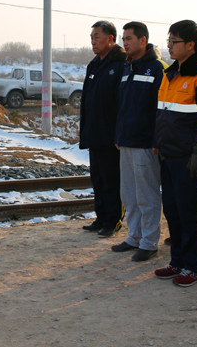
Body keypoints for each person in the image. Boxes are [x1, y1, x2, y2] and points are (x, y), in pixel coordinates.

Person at [153, 20, 197, 287]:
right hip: (169, 155)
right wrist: (158, 142)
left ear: (191, 45)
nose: (169, 46)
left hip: (190, 158)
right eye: (169, 41)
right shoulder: (170, 73)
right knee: (173, 211)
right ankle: (178, 261)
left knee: (193, 213)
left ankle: (195, 265)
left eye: (174, 41)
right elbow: (163, 112)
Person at [112, 22, 166, 261]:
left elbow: (161, 109)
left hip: (145, 143)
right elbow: (122, 106)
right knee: (129, 195)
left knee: (147, 196)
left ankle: (149, 241)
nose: (125, 43)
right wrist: (119, 135)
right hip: (126, 141)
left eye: (129, 38)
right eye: (123, 39)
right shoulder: (127, 67)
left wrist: (156, 139)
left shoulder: (156, 69)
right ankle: (134, 236)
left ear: (143, 40)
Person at [80, 20, 127, 237]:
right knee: (98, 179)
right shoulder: (94, 65)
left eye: (96, 37)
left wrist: (119, 133)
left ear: (110, 39)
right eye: (91, 37)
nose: (93, 41)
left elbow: (122, 103)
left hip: (111, 135)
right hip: (95, 132)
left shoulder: (120, 64)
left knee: (111, 180)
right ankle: (101, 217)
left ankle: (113, 220)